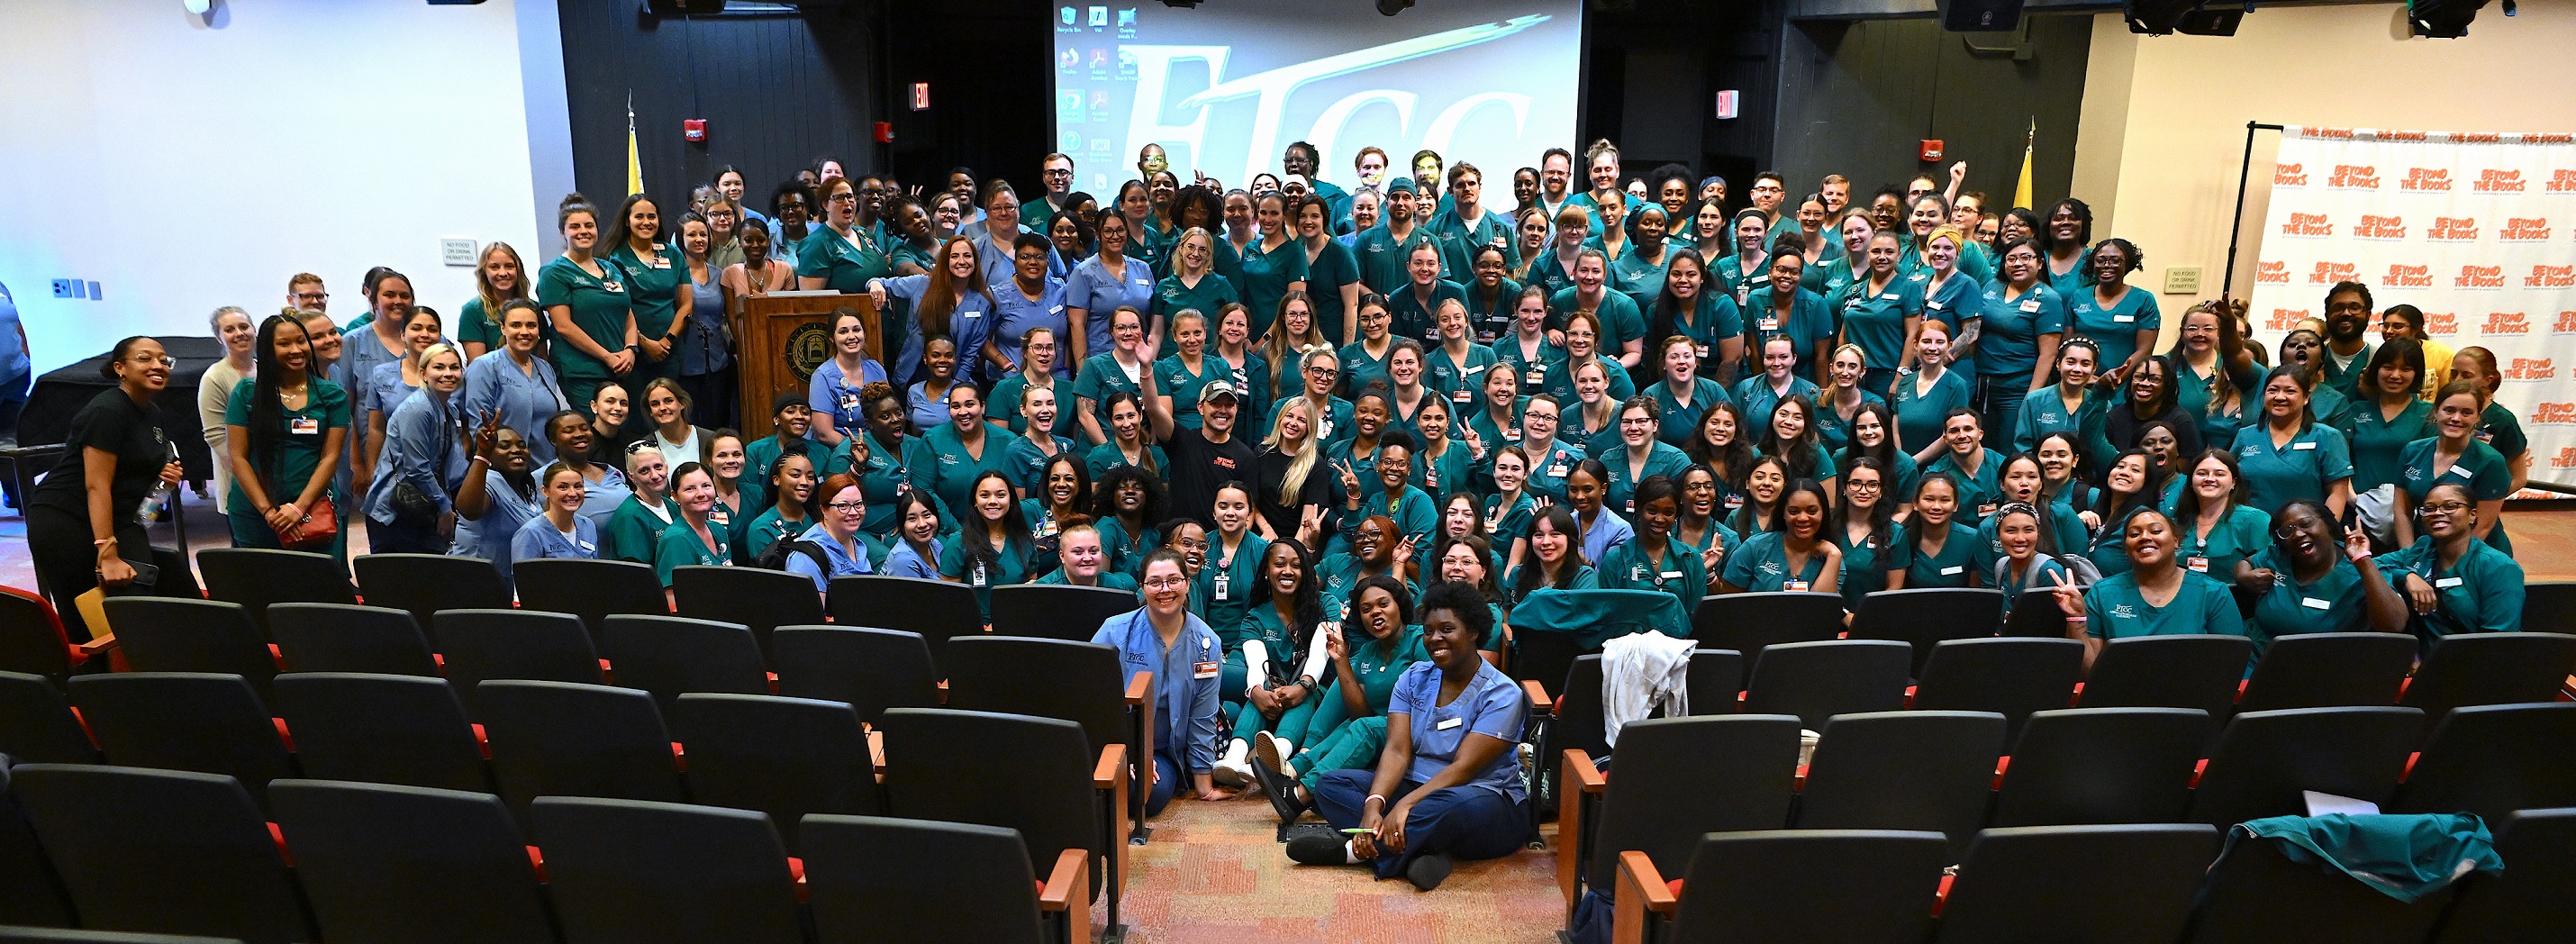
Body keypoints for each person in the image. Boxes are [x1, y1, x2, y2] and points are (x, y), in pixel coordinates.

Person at [1283, 580, 1523, 891]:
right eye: (1428, 631)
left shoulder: (1503, 694)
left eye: (1447, 629)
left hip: (1480, 797)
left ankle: (1351, 851)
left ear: (1474, 631)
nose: (1435, 638)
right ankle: (1424, 853)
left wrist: (1405, 805)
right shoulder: (1413, 678)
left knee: (1442, 808)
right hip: (1416, 784)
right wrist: (1374, 804)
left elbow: (1463, 769)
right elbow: (1397, 750)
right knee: (1331, 784)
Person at [24, 338, 186, 640]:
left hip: (120, 518)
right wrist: (107, 553)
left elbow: (134, 469)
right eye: (145, 358)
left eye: (164, 360)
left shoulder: (152, 413)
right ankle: (95, 681)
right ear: (120, 368)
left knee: (140, 600)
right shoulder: (108, 410)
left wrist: (163, 475)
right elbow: (96, 484)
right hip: (66, 518)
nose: (158, 366)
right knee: (89, 623)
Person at [1094, 549, 1231, 815]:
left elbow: (1202, 718)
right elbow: (1087, 699)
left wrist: (1204, 786)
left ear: (1188, 584)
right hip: (1113, 741)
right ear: (1142, 588)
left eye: (1174, 580)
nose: (1165, 589)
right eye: (1155, 582)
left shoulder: (1207, 644)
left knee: (1149, 795)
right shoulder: (1114, 631)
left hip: (1163, 751)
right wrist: (1127, 753)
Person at [2052, 507, 2244, 670]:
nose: (2145, 538)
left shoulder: (2213, 593)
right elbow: (2089, 669)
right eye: (2134, 534)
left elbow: (2229, 663)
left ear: (2176, 541)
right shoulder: (2103, 593)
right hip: (2121, 701)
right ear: (2126, 548)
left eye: (2156, 531)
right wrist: (2076, 618)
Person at [224, 314, 349, 556]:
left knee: (319, 586)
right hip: (255, 511)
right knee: (264, 586)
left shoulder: (332, 394)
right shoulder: (246, 393)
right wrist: (269, 512)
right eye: (284, 344)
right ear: (268, 350)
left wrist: (298, 508)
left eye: (301, 341)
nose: (296, 350)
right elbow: (237, 458)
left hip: (312, 508)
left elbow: (330, 457)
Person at [2238, 499, 2407, 655]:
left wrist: (2363, 562)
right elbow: (2247, 562)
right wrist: (2242, 575)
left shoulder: (2362, 570)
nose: (2297, 534)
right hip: (2253, 654)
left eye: (2306, 524)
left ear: (2327, 523)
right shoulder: (2281, 555)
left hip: (2317, 667)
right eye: (2287, 531)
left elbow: (2394, 626)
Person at [360, 342, 471, 554]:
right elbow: (417, 468)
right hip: (395, 512)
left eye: (454, 368)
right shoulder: (419, 409)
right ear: (423, 373)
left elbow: (451, 466)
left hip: (424, 505)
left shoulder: (450, 411)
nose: (448, 374)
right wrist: (444, 507)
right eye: (439, 367)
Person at [540, 199, 639, 413]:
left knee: (619, 433)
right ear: (562, 232)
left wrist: (630, 349)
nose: (583, 231)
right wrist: (607, 356)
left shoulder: (610, 268)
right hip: (583, 371)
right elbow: (563, 326)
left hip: (621, 367)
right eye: (574, 227)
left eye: (589, 225)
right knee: (593, 432)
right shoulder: (554, 272)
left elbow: (627, 314)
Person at [2395, 382, 2514, 554]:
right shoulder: (2412, 451)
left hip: (2477, 554)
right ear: (2436, 411)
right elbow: (2402, 512)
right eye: (2449, 410)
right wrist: (2411, 557)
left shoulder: (2491, 461)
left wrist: (2445, 565)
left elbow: (2483, 526)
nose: (2456, 418)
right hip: (2424, 549)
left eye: (2466, 412)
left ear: (2478, 417)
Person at [866, 238, 994, 390]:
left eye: (967, 256)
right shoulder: (923, 283)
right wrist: (874, 284)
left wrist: (957, 386)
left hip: (952, 377)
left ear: (975, 261)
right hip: (913, 374)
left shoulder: (982, 302)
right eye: (954, 256)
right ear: (945, 260)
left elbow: (971, 352)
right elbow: (880, 283)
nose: (961, 261)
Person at [2233, 366, 2354, 520]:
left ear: (2306, 397)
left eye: (2290, 391)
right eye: (2273, 390)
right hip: (2253, 532)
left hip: (2304, 534)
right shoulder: (2246, 435)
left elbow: (2338, 492)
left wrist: (2324, 532)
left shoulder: (2327, 437)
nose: (2280, 397)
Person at [1979, 238, 2068, 443]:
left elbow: (2049, 354)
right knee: (1983, 444)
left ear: (2040, 263)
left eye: (2026, 257)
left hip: (2017, 387)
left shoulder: (2048, 298)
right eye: (2011, 259)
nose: (2018, 263)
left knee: (2009, 446)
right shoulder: (1993, 286)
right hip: (1984, 382)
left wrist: (2032, 398)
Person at [461, 301, 567, 466]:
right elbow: (479, 428)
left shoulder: (545, 369)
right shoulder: (485, 366)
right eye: (516, 325)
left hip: (544, 468)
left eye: (531, 325)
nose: (524, 332)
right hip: (503, 469)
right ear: (503, 328)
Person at [358, 306, 447, 496]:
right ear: (402, 335)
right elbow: (376, 429)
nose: (425, 334)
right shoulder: (382, 374)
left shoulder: (451, 376)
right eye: (416, 328)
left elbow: (460, 431)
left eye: (432, 329)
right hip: (393, 473)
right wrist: (372, 471)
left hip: (439, 475)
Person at [601, 195, 690, 386]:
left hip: (670, 349)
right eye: (639, 216)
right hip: (631, 350)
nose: (646, 222)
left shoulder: (672, 253)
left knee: (666, 406)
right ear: (627, 221)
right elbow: (618, 307)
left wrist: (667, 340)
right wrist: (643, 343)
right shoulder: (615, 258)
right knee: (636, 409)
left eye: (652, 217)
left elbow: (686, 304)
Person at [1829, 231, 1922, 399]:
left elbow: (1913, 336)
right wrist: (1839, 371)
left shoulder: (1908, 289)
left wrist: (1901, 375)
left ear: (1899, 255)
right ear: (1868, 253)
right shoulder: (1854, 290)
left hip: (1887, 376)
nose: (1882, 257)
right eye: (1876, 251)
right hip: (1853, 375)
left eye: (1889, 252)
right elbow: (1844, 335)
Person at [1596, 476, 1707, 613]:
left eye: (1668, 513)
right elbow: (1607, 614)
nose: (1660, 519)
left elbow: (1697, 614)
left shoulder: (1690, 558)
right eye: (1652, 511)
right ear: (1638, 510)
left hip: (1679, 634)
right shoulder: (1614, 560)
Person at [451, 419, 541, 584]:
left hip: (505, 585)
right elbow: (468, 510)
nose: (516, 450)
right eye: (504, 446)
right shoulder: (490, 479)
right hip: (473, 584)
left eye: (522, 445)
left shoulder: (527, 493)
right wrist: (482, 454)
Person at [1717, 477, 1842, 594]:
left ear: (1823, 513)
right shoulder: (1754, 547)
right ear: (1783, 513)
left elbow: (1821, 609)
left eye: (1812, 511)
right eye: (1794, 511)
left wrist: (1834, 556)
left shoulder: (1832, 559)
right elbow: (1729, 602)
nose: (1803, 518)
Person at [939, 469, 1035, 619]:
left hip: (1016, 624)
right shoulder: (957, 543)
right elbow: (950, 600)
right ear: (975, 502)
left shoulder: (1025, 540)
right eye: (985, 495)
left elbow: (1031, 586)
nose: (993, 501)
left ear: (1011, 500)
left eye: (1000, 495)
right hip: (974, 629)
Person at [2168, 302, 2259, 451]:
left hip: (2220, 458)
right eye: (2192, 328)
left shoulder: (2232, 366)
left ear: (2219, 333)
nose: (2200, 334)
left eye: (2208, 329)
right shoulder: (2165, 366)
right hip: (2175, 456)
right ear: (2182, 331)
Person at [2069, 238, 2158, 386]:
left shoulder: (2143, 300)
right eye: (2101, 260)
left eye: (2115, 260)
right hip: (2082, 382)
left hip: (2123, 386)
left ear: (2127, 263)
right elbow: (2069, 344)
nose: (2107, 265)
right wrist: (2086, 377)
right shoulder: (2078, 297)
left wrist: (2114, 377)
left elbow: (2144, 350)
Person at [198, 306, 258, 514]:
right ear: (219, 338)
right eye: (230, 329)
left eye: (244, 327)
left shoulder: (263, 370)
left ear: (254, 330)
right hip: (237, 477)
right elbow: (215, 436)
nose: (239, 333)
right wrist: (247, 476)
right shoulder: (214, 378)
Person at [782, 473, 877, 594]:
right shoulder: (807, 557)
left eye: (858, 504)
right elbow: (811, 612)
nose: (854, 512)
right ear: (824, 510)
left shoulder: (855, 542)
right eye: (843, 506)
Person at [1891, 319, 1973, 458]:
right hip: (1903, 466)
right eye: (1927, 341)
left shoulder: (1957, 386)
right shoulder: (1905, 382)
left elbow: (1951, 434)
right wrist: (1902, 460)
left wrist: (1914, 461)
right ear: (1916, 345)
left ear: (1949, 346)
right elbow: (1896, 427)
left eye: (1940, 342)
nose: (1933, 348)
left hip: (1938, 469)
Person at [2014, 337, 2107, 461]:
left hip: (2087, 477)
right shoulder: (2034, 400)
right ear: (2058, 364)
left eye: (2085, 364)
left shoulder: (2100, 404)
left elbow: (2101, 448)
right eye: (2070, 362)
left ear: (2094, 368)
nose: (2077, 369)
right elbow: (2023, 448)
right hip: (2042, 473)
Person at [651, 462, 731, 604]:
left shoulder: (718, 529)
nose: (701, 494)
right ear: (675, 496)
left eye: (706, 486)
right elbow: (672, 601)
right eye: (690, 489)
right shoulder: (676, 539)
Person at [1073, 306, 1154, 445]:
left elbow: (1157, 416)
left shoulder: (1154, 368)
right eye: (1121, 328)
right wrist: (1111, 454)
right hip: (1101, 449)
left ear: (1142, 331)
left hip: (1141, 450)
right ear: (1112, 332)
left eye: (1134, 327)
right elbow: (1085, 416)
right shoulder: (1094, 366)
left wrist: (1148, 450)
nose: (1128, 333)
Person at [1256, 397, 1330, 545]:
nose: (1293, 423)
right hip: (1261, 535)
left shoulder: (1315, 464)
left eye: (1302, 420)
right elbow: (1251, 503)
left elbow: (1307, 521)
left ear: (1309, 427)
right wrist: (1267, 530)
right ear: (1280, 418)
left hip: (1295, 539)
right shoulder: (1261, 452)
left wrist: (1293, 549)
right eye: (1289, 416)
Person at [1833, 458, 1903, 605]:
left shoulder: (1895, 533)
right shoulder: (1826, 525)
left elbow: (1894, 588)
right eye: (1856, 483)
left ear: (1881, 491)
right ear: (1845, 488)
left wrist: (1863, 618)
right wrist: (1844, 615)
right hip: (1827, 614)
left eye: (1872, 485)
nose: (1863, 490)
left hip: (1874, 618)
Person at [540, 409, 630, 520]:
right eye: (569, 431)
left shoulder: (612, 472)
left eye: (584, 429)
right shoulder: (541, 477)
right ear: (553, 440)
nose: (579, 434)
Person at [2104, 356, 2200, 460]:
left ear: (2167, 384)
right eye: (2139, 377)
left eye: (2154, 379)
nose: (2144, 383)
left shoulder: (2180, 421)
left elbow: (2187, 465)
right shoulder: (2114, 418)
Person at [1988, 502, 2071, 618]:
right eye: (2011, 530)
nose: (2020, 538)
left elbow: (2056, 627)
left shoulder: (2049, 570)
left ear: (2038, 533)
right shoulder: (2001, 565)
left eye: (2028, 530)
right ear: (1998, 534)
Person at [1901, 472, 1982, 588]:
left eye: (1945, 500)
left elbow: (1975, 593)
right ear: (1915, 503)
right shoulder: (1902, 539)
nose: (1936, 507)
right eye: (1929, 499)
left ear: (1956, 505)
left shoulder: (1972, 539)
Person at [512, 462, 602, 564]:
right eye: (563, 487)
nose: (572, 493)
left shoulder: (588, 526)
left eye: (578, 486)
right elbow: (523, 578)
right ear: (545, 491)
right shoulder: (531, 533)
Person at [742, 451, 821, 565]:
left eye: (810, 477)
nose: (805, 482)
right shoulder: (762, 528)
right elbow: (765, 577)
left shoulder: (820, 518)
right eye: (795, 475)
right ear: (776, 480)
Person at [1814, 344, 1881, 456]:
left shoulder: (1875, 404)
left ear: (1862, 371)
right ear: (1831, 368)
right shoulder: (1816, 403)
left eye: (1852, 366)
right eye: (1840, 365)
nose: (1845, 372)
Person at [638, 377, 710, 469]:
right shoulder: (645, 447)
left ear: (682, 404)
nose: (662, 408)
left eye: (668, 401)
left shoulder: (709, 439)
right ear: (650, 412)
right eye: (655, 404)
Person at [904, 336, 965, 430]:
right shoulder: (914, 391)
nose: (943, 360)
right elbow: (913, 430)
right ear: (925, 358)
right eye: (936, 356)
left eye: (949, 356)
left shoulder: (963, 392)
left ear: (955, 359)